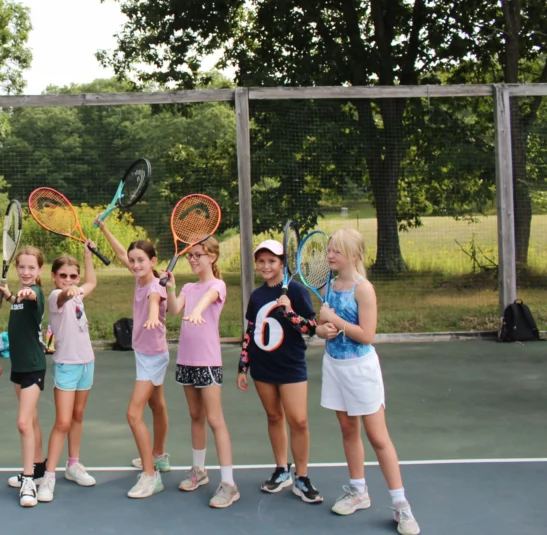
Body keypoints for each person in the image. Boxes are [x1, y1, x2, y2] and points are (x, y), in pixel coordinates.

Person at [317, 229, 420, 535]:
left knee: (378, 437)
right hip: (334, 366)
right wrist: (322, 330)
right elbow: (321, 325)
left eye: (336, 251)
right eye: (329, 250)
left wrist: (334, 321)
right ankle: (358, 491)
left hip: (361, 369)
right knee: (348, 430)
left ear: (354, 255)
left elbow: (367, 335)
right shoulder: (328, 285)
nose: (330, 255)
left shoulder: (364, 290)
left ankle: (402, 506)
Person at [237, 239, 322, 503]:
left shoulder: (295, 291)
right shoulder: (257, 296)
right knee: (274, 417)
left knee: (298, 420)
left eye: (272, 261)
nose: (266, 266)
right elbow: (251, 331)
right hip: (263, 368)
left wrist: (290, 312)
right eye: (261, 261)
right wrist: (243, 366)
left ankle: (303, 477)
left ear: (282, 263)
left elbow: (311, 328)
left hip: (291, 366)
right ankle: (281, 470)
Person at [96, 219, 169, 499]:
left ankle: (151, 476)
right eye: (133, 260)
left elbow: (153, 304)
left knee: (133, 414)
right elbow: (119, 253)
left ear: (153, 261)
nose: (136, 264)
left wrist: (152, 317)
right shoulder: (141, 277)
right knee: (157, 405)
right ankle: (159, 456)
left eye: (141, 261)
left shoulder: (153, 287)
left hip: (152, 356)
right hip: (147, 352)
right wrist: (104, 228)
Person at [163, 236, 238, 508]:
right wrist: (170, 288)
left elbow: (208, 298)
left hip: (208, 362)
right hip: (186, 361)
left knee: (215, 420)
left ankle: (229, 484)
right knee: (196, 416)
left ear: (212, 257)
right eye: (190, 255)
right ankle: (199, 471)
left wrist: (196, 310)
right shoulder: (188, 286)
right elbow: (173, 310)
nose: (193, 259)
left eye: (199, 255)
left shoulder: (217, 285)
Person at [36, 242, 100, 503]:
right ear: (54, 277)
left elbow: (92, 282)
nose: (69, 280)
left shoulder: (78, 294)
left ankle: (73, 465)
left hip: (87, 363)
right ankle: (49, 476)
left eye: (73, 276)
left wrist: (87, 256)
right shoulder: (55, 297)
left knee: (78, 415)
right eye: (63, 275)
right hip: (66, 366)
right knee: (62, 422)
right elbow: (63, 297)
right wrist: (69, 290)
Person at [0, 246, 47, 507]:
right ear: (17, 268)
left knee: (23, 423)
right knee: (33, 421)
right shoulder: (19, 297)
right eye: (22, 267)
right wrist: (10, 296)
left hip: (33, 367)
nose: (26, 271)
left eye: (31, 267)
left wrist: (24, 293)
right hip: (19, 367)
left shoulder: (35, 292)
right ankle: (39, 470)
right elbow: (19, 300)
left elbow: (30, 296)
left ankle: (28, 481)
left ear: (40, 270)